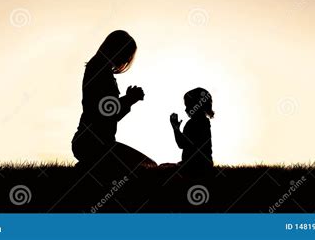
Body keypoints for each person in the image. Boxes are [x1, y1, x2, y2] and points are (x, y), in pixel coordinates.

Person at [72, 30, 156, 173]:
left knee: (148, 165)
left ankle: (90, 166)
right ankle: (90, 167)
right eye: (126, 54)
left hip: (98, 143)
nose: (126, 59)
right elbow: (105, 111)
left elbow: (110, 112)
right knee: (146, 166)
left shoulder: (99, 69)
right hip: (94, 144)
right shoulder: (99, 70)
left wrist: (129, 99)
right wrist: (130, 99)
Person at [170, 87, 214, 174]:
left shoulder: (192, 124)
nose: (185, 109)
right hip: (205, 164)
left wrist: (176, 129)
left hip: (193, 166)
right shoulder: (205, 122)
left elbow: (181, 144)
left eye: (187, 106)